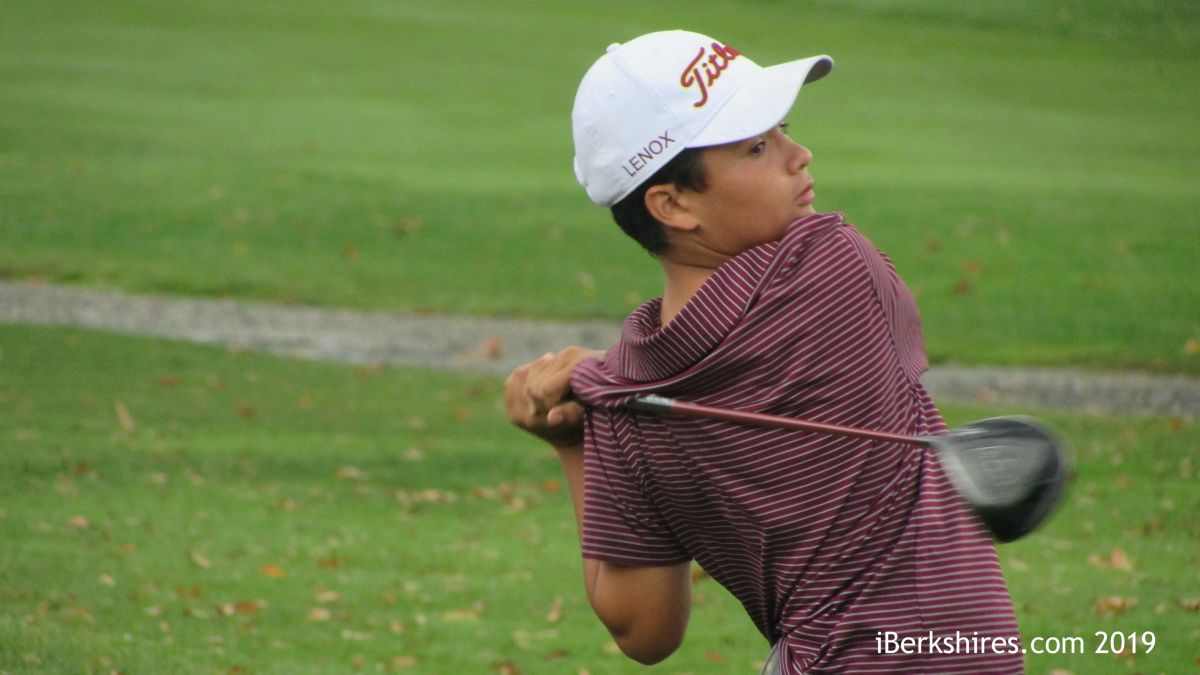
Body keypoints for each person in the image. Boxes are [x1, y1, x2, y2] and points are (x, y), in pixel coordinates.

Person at [503, 30, 1023, 673]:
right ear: (672, 203)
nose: (799, 155)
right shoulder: (838, 264)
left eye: (782, 131)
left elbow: (644, 630)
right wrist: (602, 385)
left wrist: (574, 438)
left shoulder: (623, 399)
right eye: (756, 146)